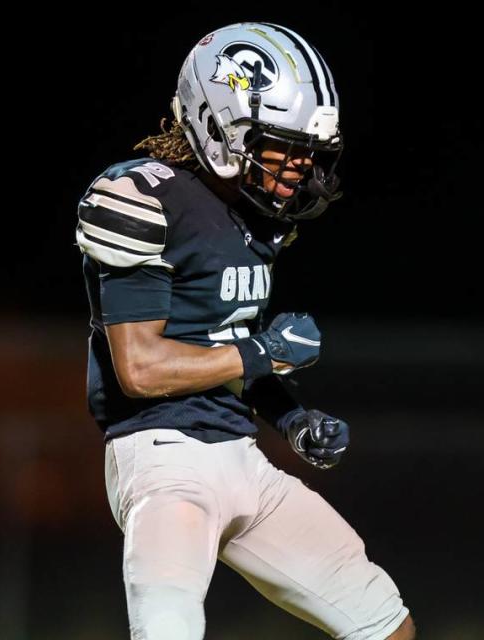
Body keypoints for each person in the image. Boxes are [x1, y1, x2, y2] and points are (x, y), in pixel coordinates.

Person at [75, 22, 415, 640]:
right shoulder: (139, 196)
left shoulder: (252, 217)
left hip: (240, 459)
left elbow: (227, 351)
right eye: (285, 145)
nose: (303, 167)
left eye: (311, 151)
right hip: (163, 461)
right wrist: (262, 350)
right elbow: (142, 368)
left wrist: (291, 418)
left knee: (384, 624)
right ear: (220, 125)